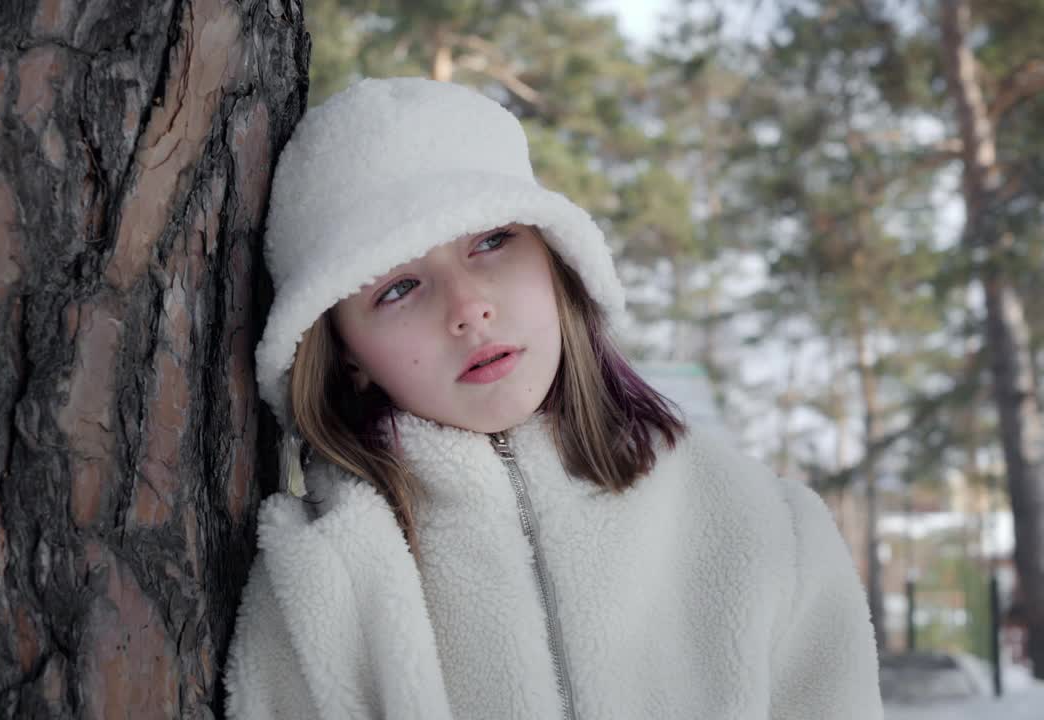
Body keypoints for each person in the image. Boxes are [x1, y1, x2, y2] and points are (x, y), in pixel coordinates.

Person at [225, 77, 883, 720]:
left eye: (491, 242)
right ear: (345, 353)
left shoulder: (768, 530)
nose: (468, 308)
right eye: (398, 288)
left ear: (556, 260)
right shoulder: (318, 587)